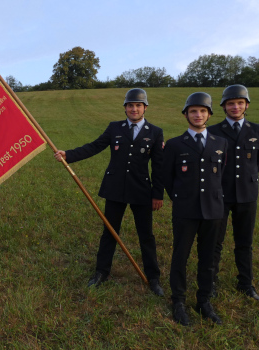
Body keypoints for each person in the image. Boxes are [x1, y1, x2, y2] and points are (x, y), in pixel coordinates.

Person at [54, 88, 165, 296]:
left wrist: (158, 194)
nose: (134, 109)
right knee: (109, 232)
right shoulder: (114, 128)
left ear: (145, 108)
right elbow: (95, 146)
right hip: (115, 190)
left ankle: (154, 277)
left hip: (142, 191)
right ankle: (101, 272)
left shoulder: (155, 132)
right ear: (125, 108)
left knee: (146, 235)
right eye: (130, 105)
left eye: (138, 105)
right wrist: (68, 154)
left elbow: (159, 166)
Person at [162, 92, 228, 326]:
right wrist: (180, 199)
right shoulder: (174, 145)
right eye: (193, 111)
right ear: (185, 114)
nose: (198, 115)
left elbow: (222, 174)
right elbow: (166, 178)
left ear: (209, 114)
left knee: (208, 258)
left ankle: (204, 301)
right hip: (186, 209)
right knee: (180, 256)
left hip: (213, 209)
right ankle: (178, 301)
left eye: (202, 111)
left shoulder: (220, 143)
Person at [208, 85, 259, 302]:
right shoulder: (213, 131)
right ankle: (211, 283)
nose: (235, 107)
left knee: (245, 242)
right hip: (221, 194)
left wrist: (247, 177)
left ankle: (246, 284)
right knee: (215, 241)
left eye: (240, 103)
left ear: (246, 105)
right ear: (224, 106)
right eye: (231, 103)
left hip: (247, 194)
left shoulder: (258, 131)